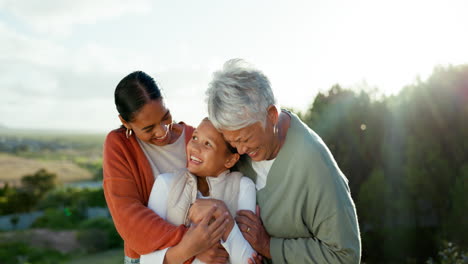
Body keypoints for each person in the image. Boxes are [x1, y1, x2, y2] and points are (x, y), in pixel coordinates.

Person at [203, 59, 362, 263]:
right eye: (233, 142)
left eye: (245, 139)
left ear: (271, 115)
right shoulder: (236, 147)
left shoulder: (314, 165)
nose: (240, 150)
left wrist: (270, 246)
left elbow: (345, 256)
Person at [103, 71, 230, 264]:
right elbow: (127, 216)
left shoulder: (194, 137)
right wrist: (190, 245)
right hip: (149, 256)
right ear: (124, 122)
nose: (162, 132)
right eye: (148, 128)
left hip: (208, 249)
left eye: (165, 117)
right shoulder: (120, 146)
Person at [140, 118, 257, 264]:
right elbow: (146, 260)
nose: (194, 148)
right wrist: (191, 253)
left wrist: (222, 213)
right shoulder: (165, 184)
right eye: (194, 137)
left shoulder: (243, 187)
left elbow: (248, 261)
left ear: (230, 160)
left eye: (208, 144)